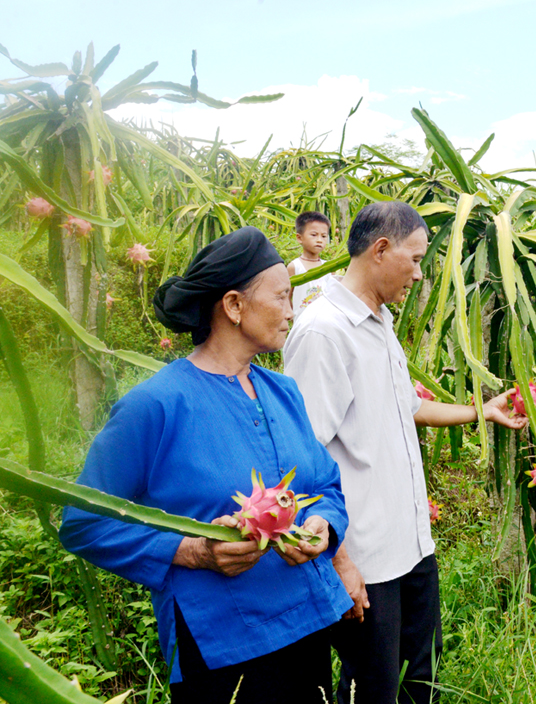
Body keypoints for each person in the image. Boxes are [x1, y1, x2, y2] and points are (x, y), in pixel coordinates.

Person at [59, 227, 352, 703]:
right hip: (222, 647)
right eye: (281, 296)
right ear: (234, 306)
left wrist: (323, 525)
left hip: (308, 622)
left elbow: (328, 487)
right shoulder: (155, 405)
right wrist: (193, 550)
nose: (290, 311)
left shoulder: (285, 392)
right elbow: (84, 522)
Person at [282, 200, 527, 704]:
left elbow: (406, 405)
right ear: (381, 249)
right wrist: (339, 560)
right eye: (414, 260)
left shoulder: (380, 321)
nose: (418, 274)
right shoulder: (323, 333)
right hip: (366, 560)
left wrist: (483, 410)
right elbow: (301, 461)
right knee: (373, 692)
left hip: (412, 547)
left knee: (423, 681)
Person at [287, 210, 332, 318]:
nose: (319, 240)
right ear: (299, 238)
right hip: (301, 325)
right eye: (314, 235)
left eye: (324, 236)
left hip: (325, 324)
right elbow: (286, 297)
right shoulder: (294, 267)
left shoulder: (329, 268)